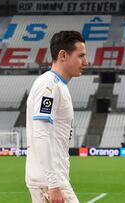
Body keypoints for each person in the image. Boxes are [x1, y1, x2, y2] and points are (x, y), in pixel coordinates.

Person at [25, 30, 87, 203]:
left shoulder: (58, 85)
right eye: (81, 56)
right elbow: (41, 133)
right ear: (62, 55)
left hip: (50, 180)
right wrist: (53, 184)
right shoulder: (50, 86)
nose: (86, 62)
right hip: (49, 182)